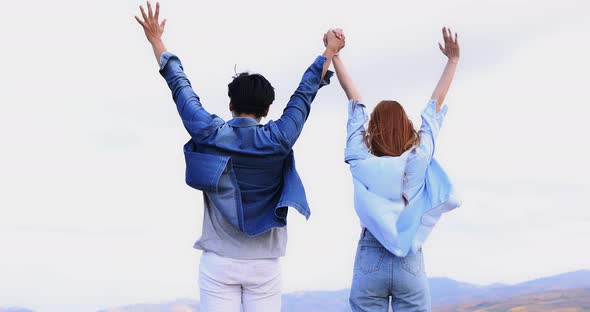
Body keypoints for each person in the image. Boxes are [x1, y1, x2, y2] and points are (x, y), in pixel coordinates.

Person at [134, 2, 345, 311]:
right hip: (265, 265)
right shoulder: (279, 138)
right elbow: (305, 91)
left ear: (230, 102)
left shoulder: (209, 132)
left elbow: (180, 85)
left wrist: (156, 39)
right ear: (268, 109)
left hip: (218, 262)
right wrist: (329, 50)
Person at [328, 27, 462, 311]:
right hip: (409, 261)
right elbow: (433, 111)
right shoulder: (418, 158)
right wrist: (452, 61)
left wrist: (335, 55)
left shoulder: (359, 159)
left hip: (370, 258)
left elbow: (355, 104)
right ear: (406, 127)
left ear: (372, 132)